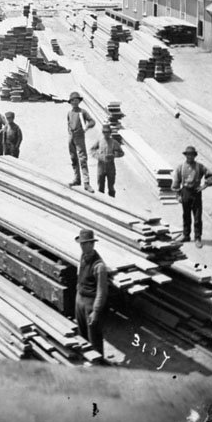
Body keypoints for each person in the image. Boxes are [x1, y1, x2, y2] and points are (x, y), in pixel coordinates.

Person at [171, 145, 212, 247]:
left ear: (194, 156)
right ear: (185, 155)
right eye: (188, 155)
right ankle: (186, 235)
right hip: (185, 192)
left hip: (196, 192)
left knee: (197, 217)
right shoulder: (181, 167)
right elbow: (176, 182)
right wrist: (178, 195)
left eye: (191, 155)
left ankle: (197, 238)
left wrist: (204, 185)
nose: (190, 157)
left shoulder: (200, 167)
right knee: (186, 215)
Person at [74, 228, 108, 360]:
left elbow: (102, 292)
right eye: (81, 244)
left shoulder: (99, 266)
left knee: (94, 340)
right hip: (80, 301)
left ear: (92, 244)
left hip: (90, 305)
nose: (82, 246)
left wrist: (96, 311)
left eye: (85, 243)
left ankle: (99, 368)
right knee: (82, 337)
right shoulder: (83, 257)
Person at [67, 91, 95, 192]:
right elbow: (69, 124)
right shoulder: (69, 113)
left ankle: (87, 183)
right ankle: (77, 179)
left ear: (79, 101)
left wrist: (86, 127)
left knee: (83, 160)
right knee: (73, 159)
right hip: (71, 138)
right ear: (70, 102)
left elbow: (92, 122)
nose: (74, 102)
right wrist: (70, 134)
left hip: (79, 138)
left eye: (76, 100)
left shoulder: (82, 112)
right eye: (72, 101)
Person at [90, 123, 124, 197]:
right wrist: (98, 156)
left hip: (110, 166)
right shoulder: (99, 141)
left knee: (111, 187)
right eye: (104, 132)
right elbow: (91, 150)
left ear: (110, 132)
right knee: (100, 187)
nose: (106, 134)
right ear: (102, 132)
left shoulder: (114, 142)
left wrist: (114, 155)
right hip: (101, 166)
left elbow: (121, 153)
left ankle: (112, 203)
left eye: (107, 132)